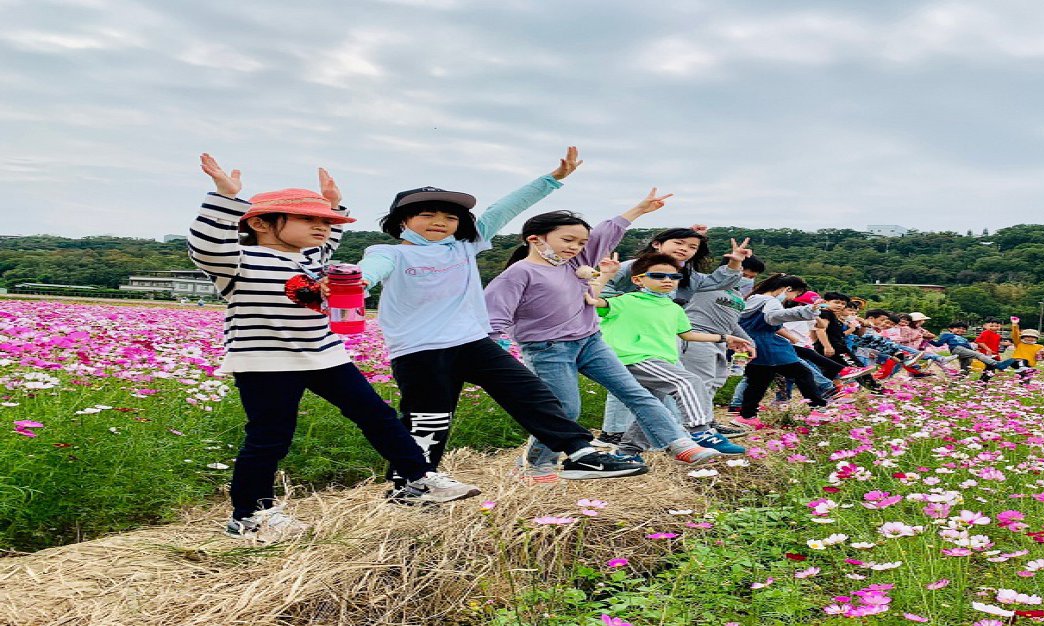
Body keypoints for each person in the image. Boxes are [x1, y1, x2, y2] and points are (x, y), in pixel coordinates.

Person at [191, 154, 482, 543]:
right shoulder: (237, 261)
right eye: (308, 220)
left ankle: (419, 478)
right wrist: (225, 197)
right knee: (270, 437)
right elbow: (207, 245)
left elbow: (328, 242)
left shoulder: (312, 256)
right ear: (260, 223)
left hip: (325, 354)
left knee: (378, 416)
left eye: (326, 223)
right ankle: (249, 515)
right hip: (267, 361)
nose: (322, 228)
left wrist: (333, 205)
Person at [356, 147, 646, 483]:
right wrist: (360, 281)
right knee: (429, 420)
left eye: (450, 218)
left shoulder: (465, 246)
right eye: (427, 215)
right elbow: (372, 268)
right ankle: (411, 484)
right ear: (402, 221)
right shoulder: (388, 253)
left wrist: (553, 179)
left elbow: (504, 209)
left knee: (531, 393)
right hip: (420, 350)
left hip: (472, 342)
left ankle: (580, 453)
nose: (439, 222)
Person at [485, 192, 728, 482]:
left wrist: (639, 209)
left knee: (634, 392)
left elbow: (606, 233)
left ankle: (679, 443)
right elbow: (493, 319)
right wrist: (499, 357)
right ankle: (538, 462)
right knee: (566, 410)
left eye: (581, 243)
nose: (575, 247)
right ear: (535, 239)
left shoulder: (576, 262)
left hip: (590, 341)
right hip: (547, 348)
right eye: (568, 240)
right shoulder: (518, 274)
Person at [595, 228, 753, 443]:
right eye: (679, 243)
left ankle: (654, 437)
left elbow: (717, 282)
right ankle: (616, 432)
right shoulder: (632, 267)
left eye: (692, 247)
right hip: (629, 334)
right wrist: (629, 305)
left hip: (662, 336)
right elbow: (599, 294)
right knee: (632, 384)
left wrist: (734, 262)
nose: (685, 249)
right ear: (657, 244)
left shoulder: (686, 274)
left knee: (658, 390)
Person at [677, 255, 764, 435]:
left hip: (720, 340)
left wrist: (749, 342)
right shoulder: (706, 283)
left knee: (715, 381)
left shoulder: (737, 295)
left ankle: (707, 421)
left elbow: (732, 323)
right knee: (699, 383)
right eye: (745, 274)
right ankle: (692, 427)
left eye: (752, 277)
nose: (747, 279)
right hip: (697, 336)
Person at [734, 273, 829, 428]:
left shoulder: (752, 299)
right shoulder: (770, 301)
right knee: (802, 373)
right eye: (795, 294)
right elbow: (774, 317)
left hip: (751, 342)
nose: (792, 298)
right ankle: (817, 408)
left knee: (758, 381)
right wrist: (808, 310)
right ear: (788, 289)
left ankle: (747, 415)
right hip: (769, 345)